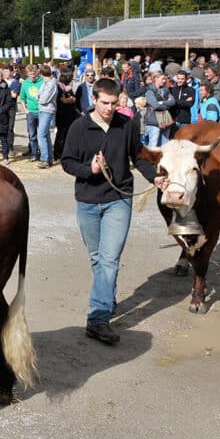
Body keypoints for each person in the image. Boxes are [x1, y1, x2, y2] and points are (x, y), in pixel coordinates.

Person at [61, 77, 163, 345]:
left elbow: (138, 156)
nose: (109, 108)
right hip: (87, 200)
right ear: (94, 99)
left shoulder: (126, 124)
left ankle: (97, 319)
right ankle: (107, 297)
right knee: (97, 258)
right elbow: (67, 162)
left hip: (119, 199)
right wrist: (90, 170)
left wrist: (155, 178)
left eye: (114, 103)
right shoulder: (78, 127)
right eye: (105, 103)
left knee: (109, 259)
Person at [18, 65, 43, 161]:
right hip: (31, 112)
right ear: (27, 74)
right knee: (32, 134)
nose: (32, 76)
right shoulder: (25, 84)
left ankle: (42, 152)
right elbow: (22, 98)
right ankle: (34, 153)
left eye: (33, 74)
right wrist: (25, 109)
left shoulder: (42, 81)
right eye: (30, 74)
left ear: (36, 72)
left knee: (42, 134)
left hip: (41, 111)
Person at [144, 72, 175, 147]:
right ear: (155, 79)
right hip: (154, 120)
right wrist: (166, 107)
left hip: (165, 119)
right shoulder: (149, 91)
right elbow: (156, 105)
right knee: (153, 145)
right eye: (162, 79)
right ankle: (151, 159)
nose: (164, 81)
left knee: (165, 144)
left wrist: (163, 102)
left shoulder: (165, 90)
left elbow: (173, 102)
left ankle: (163, 159)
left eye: (164, 79)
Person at [36, 65, 58, 168]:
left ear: (41, 73)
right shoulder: (45, 83)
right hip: (42, 110)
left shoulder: (51, 84)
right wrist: (39, 97)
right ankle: (49, 158)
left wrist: (39, 98)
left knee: (41, 134)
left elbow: (43, 99)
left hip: (47, 111)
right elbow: (38, 94)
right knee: (45, 135)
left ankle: (44, 159)